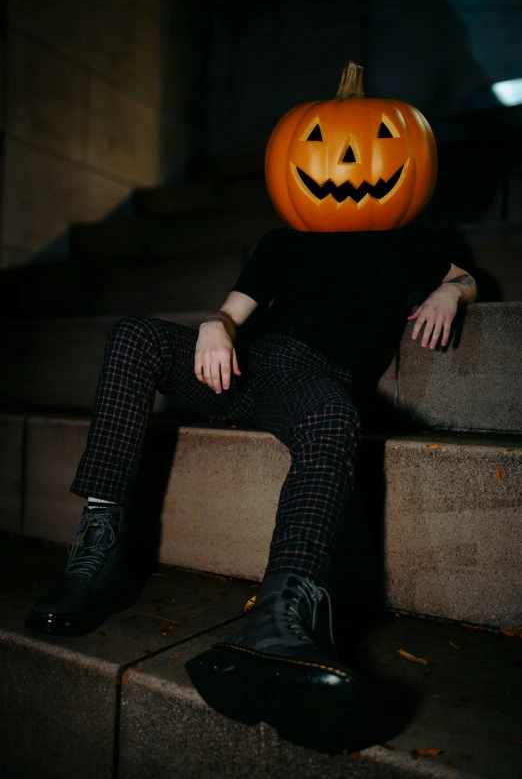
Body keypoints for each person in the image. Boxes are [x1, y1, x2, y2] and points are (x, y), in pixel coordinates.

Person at [26, 223, 476, 751]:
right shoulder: (291, 235)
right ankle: (96, 554)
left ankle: (279, 619)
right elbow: (232, 311)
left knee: (334, 417)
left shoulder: (405, 239)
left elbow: (465, 276)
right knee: (133, 334)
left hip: (312, 381)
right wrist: (216, 327)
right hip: (243, 369)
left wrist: (450, 291)